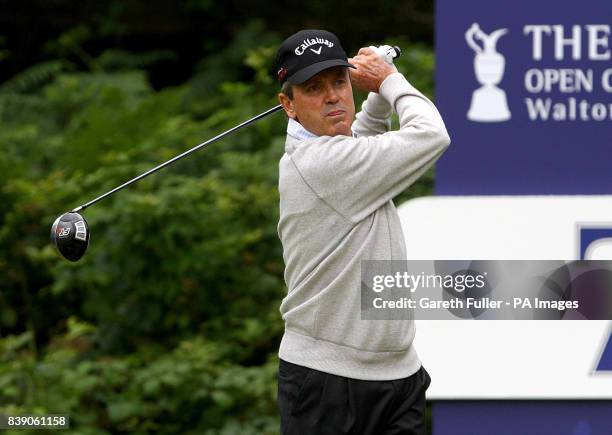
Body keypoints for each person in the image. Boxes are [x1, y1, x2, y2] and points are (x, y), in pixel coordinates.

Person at [274, 29, 450, 435]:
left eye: (339, 81)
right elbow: (431, 134)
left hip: (399, 375)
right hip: (326, 381)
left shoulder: (340, 154)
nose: (333, 96)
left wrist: (373, 92)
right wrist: (388, 79)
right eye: (313, 88)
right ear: (289, 105)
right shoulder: (319, 163)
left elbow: (364, 136)